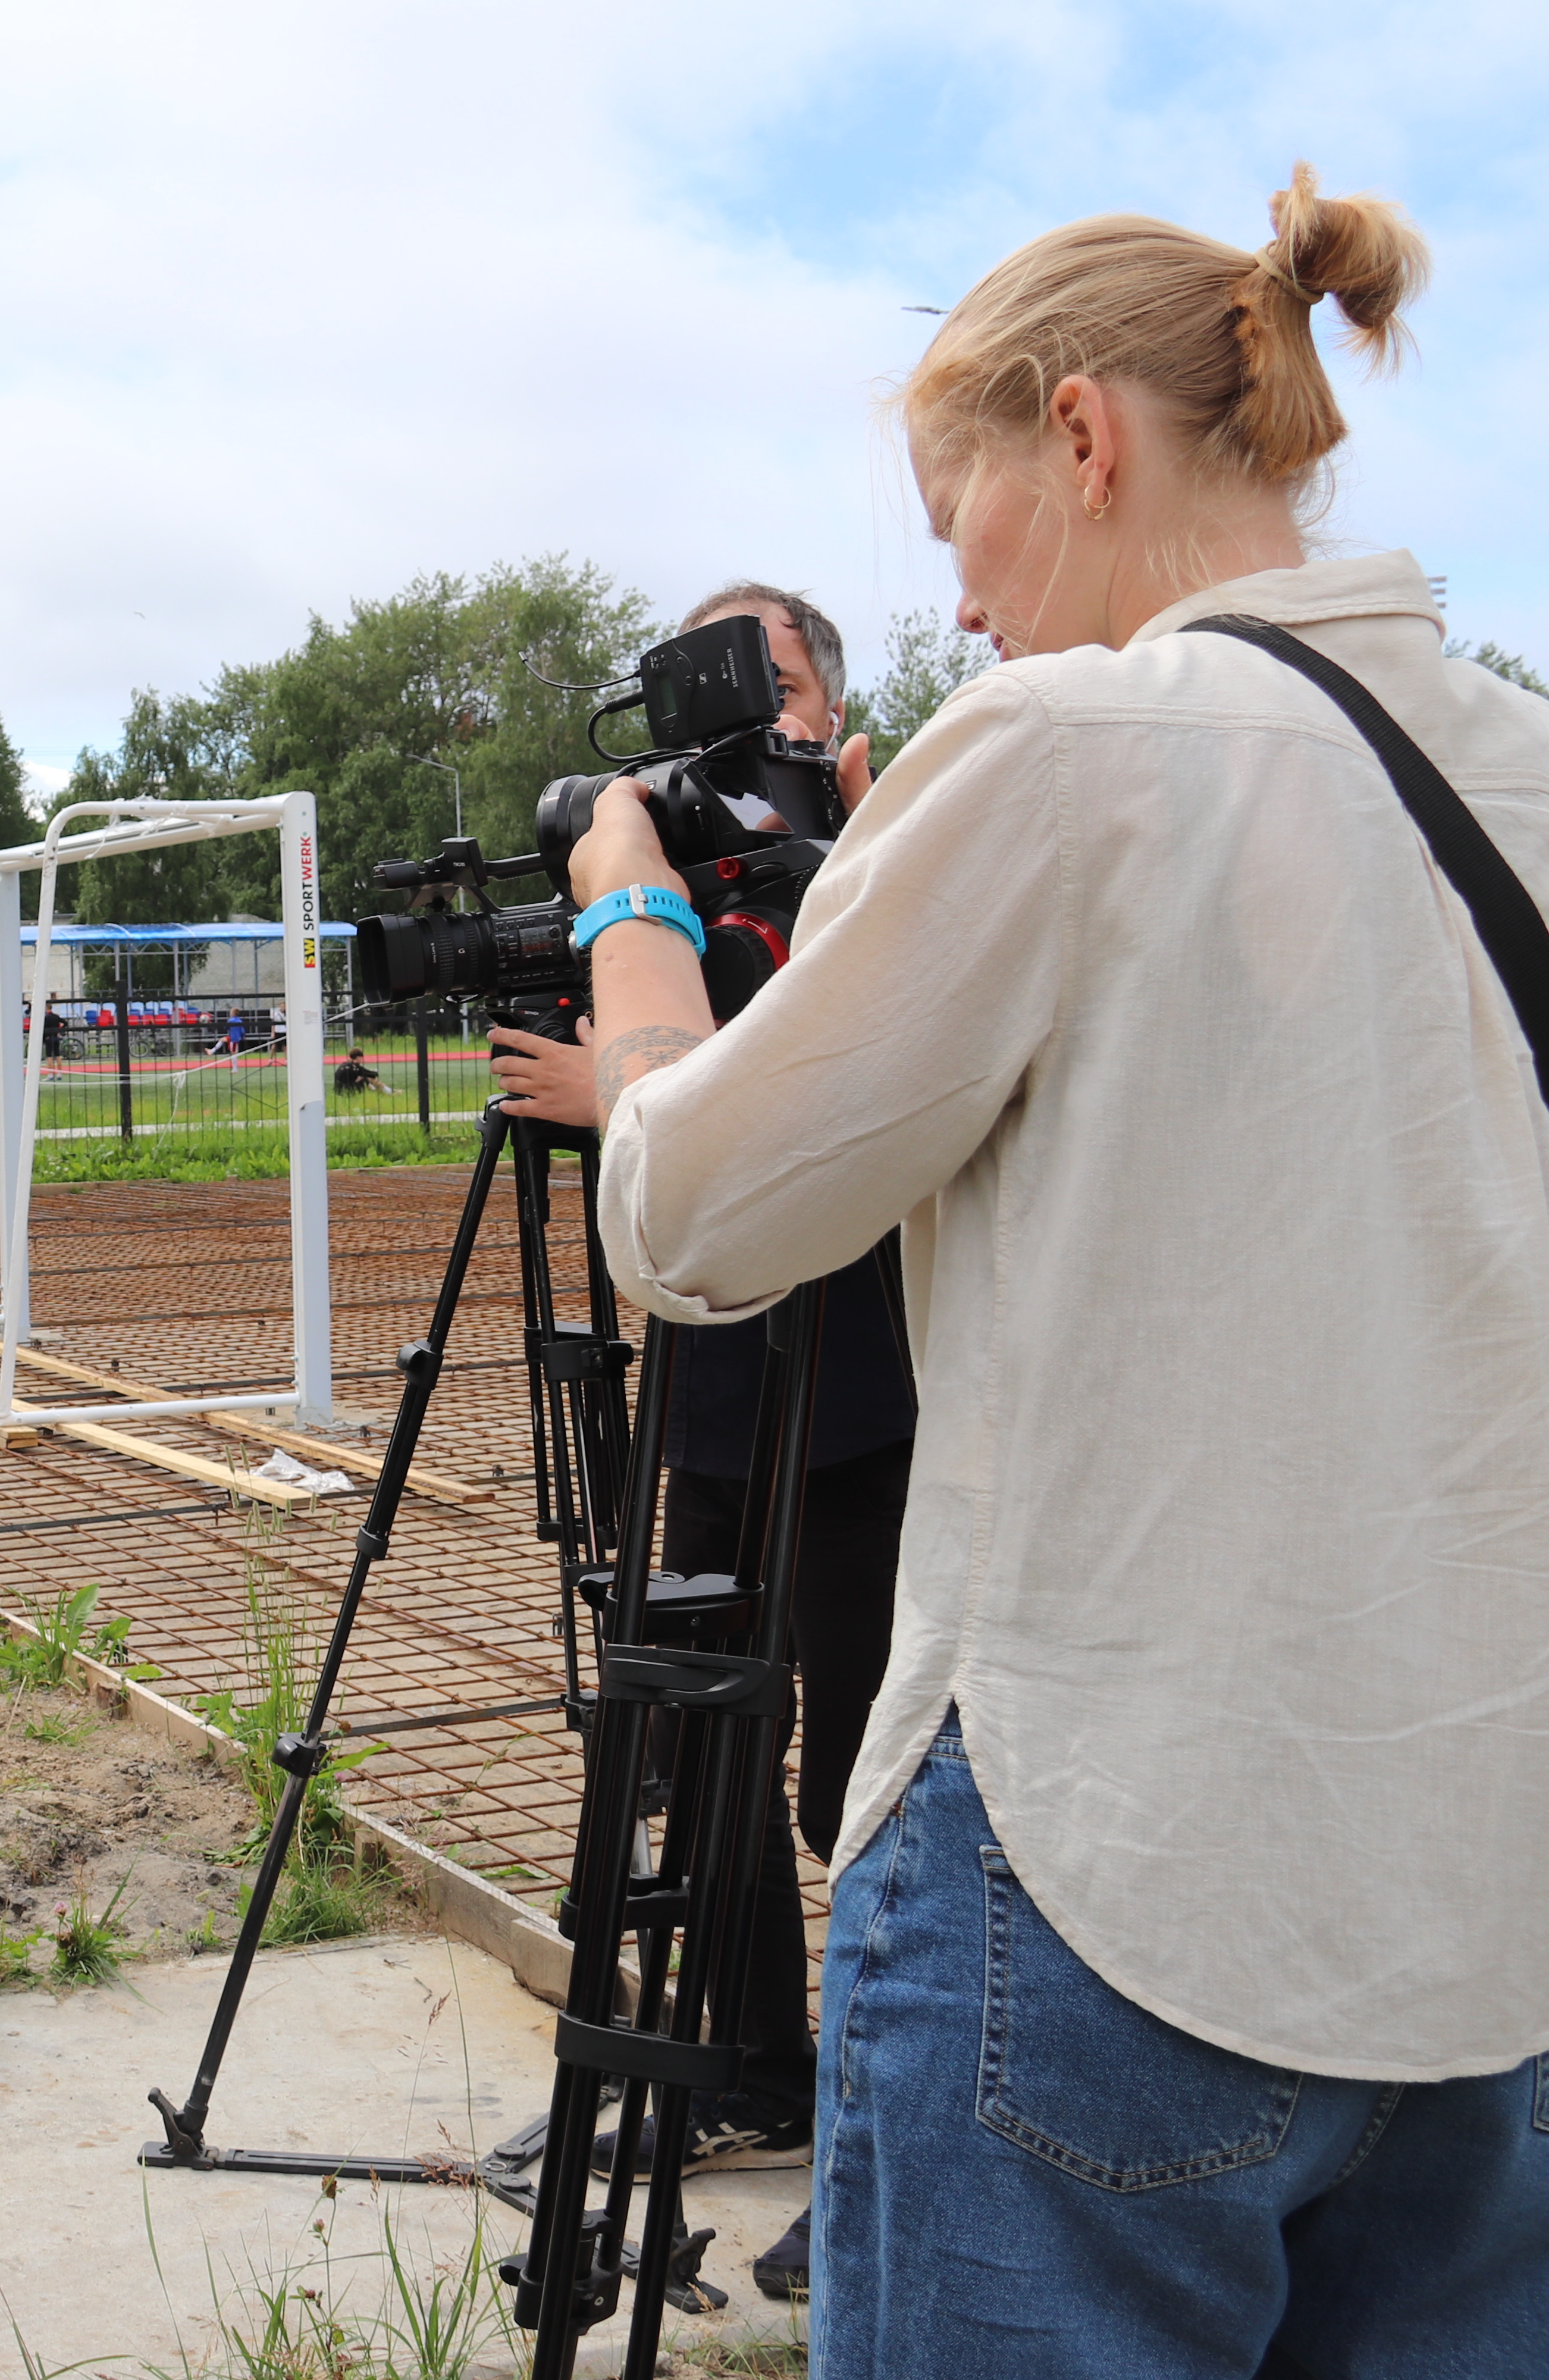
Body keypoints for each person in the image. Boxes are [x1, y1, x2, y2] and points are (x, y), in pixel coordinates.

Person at [576, 169, 1549, 2374]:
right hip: (1486, 1910)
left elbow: (697, 1221)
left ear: (1084, 438)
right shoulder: (1527, 777)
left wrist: (636, 924)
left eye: (963, 522)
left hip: (1107, 1900)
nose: (968, 609)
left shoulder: (1061, 754)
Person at [490, 581, 916, 2303]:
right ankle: (751, 2063)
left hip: (880, 1381)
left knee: (872, 1770)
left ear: (839, 721)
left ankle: (893, 2148)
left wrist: (633, 1096)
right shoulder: (662, 886)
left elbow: (840, 1085)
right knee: (703, 1746)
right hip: (717, 1377)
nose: (746, 736)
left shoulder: (885, 867)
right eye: (711, 703)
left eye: (781, 689)